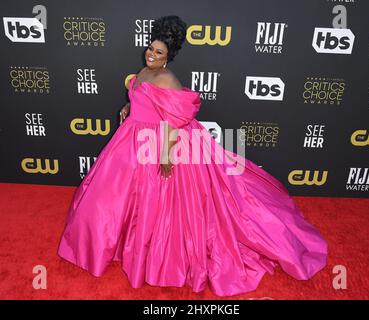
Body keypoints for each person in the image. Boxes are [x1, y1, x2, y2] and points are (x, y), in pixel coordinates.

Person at [58, 15, 328, 297]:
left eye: (158, 52)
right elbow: (141, 95)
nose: (151, 54)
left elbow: (174, 121)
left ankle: (154, 254)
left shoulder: (168, 79)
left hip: (159, 141)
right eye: (150, 48)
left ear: (168, 57)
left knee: (157, 201)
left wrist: (165, 154)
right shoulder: (145, 69)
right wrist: (129, 106)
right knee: (114, 197)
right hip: (131, 139)